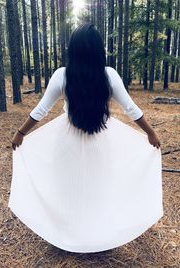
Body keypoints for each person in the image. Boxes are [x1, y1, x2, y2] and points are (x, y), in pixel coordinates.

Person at [9, 23, 163, 253]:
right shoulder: (108, 75)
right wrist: (150, 132)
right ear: (99, 50)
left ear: (73, 49)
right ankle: (96, 235)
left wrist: (21, 133)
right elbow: (131, 108)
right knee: (98, 186)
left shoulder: (63, 75)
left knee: (66, 186)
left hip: (66, 141)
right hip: (100, 139)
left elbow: (41, 110)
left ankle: (67, 234)